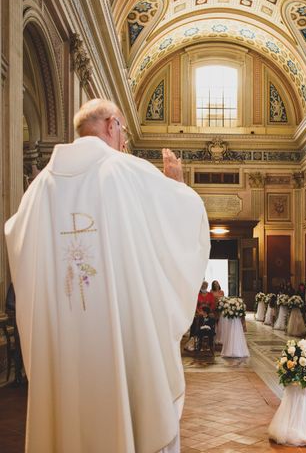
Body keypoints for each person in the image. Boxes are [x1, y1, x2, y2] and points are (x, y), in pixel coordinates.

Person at [4, 99, 210, 453]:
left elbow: (15, 235)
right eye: (124, 133)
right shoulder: (125, 170)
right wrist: (178, 185)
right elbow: (180, 220)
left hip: (60, 338)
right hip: (119, 334)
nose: (125, 142)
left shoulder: (39, 189)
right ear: (112, 125)